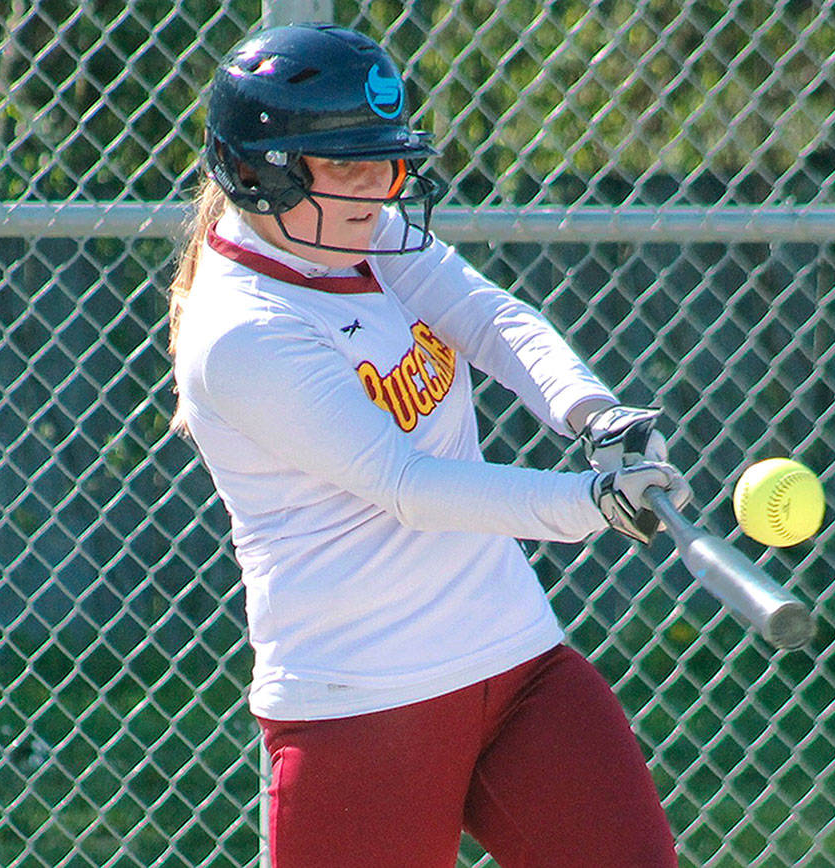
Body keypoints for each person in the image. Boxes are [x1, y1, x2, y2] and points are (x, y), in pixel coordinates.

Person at [168, 22, 692, 868]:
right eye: (349, 164)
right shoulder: (243, 333)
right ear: (257, 175)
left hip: (517, 663)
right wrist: (589, 504)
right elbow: (407, 484)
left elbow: (490, 317)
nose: (380, 187)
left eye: (386, 159)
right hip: (363, 708)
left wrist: (594, 413)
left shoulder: (354, 230)